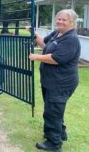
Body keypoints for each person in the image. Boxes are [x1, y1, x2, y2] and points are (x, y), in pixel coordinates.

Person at [29, 9, 80, 152]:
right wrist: (34, 35)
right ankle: (61, 133)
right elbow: (44, 46)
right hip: (51, 81)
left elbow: (57, 59)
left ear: (72, 22)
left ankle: (54, 143)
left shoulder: (71, 39)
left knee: (52, 111)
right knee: (55, 109)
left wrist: (36, 57)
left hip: (61, 82)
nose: (60, 22)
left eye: (64, 20)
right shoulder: (57, 33)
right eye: (59, 19)